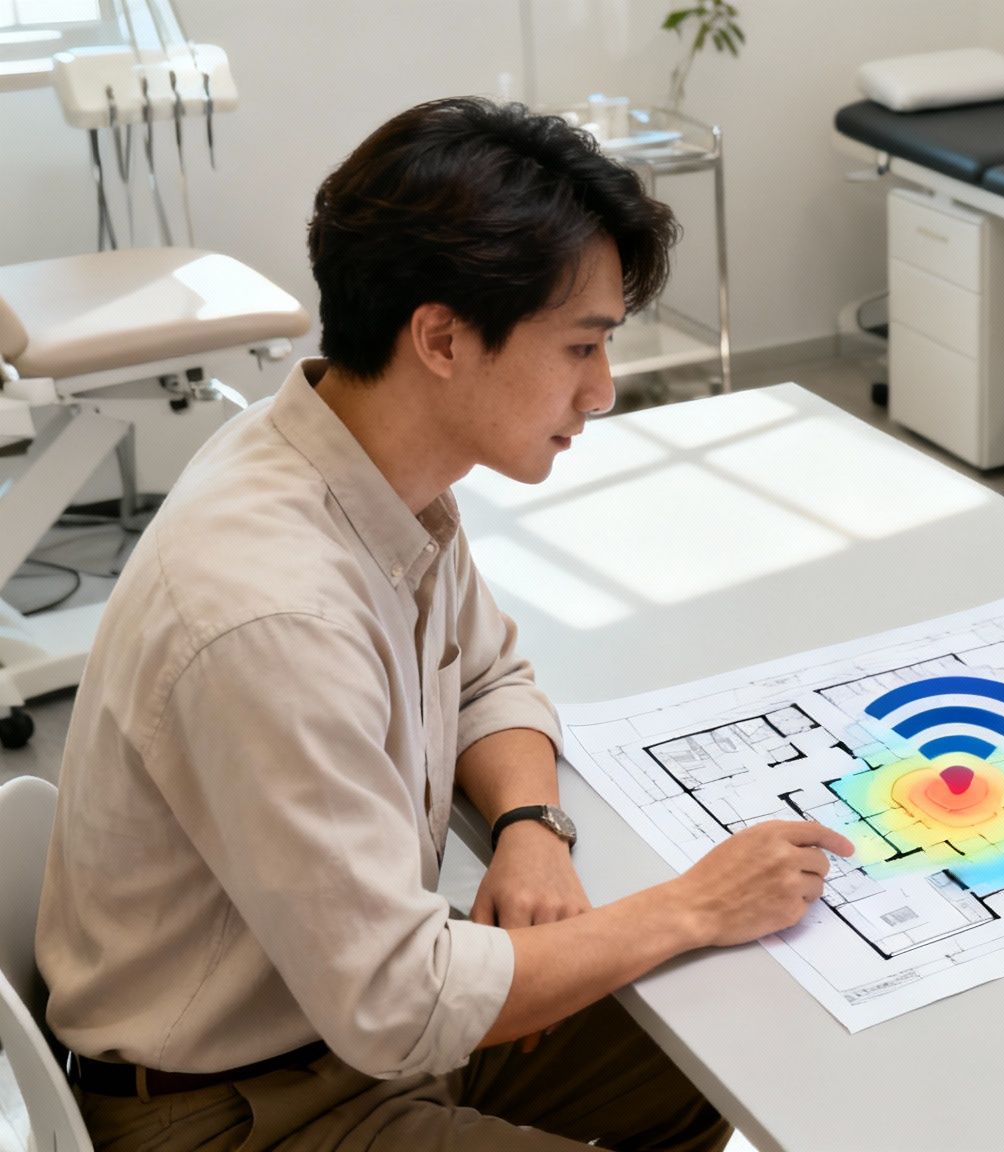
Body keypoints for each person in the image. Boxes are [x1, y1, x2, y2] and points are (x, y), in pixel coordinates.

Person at [38, 97, 855, 1151]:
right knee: (694, 946)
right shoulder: (269, 606)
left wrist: (528, 827)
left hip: (339, 1032)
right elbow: (397, 1001)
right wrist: (689, 906)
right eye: (580, 346)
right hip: (241, 1110)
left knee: (731, 1029)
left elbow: (490, 677)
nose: (602, 391)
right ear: (440, 337)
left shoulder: (378, 473)